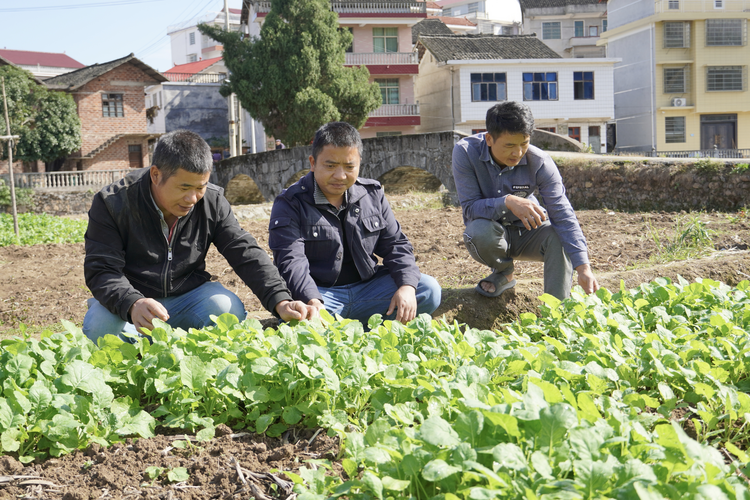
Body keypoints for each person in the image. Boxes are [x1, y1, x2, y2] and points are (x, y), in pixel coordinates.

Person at [83, 129, 315, 342]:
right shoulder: (113, 203)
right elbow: (102, 270)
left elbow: (244, 252)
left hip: (188, 296)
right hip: (133, 299)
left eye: (200, 187)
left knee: (228, 310)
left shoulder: (211, 201)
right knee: (100, 329)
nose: (193, 199)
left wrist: (280, 300)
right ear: (155, 175)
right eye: (184, 188)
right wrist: (132, 303)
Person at [268, 121, 441, 325]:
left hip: (368, 289)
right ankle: (362, 329)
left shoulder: (372, 194)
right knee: (301, 316)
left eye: (349, 167)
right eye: (330, 166)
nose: (340, 176)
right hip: (321, 296)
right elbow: (291, 261)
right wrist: (312, 300)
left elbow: (396, 245)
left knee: (428, 290)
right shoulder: (290, 202)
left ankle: (356, 330)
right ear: (313, 163)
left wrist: (407, 287)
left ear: (359, 164)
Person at [452, 101, 598, 300]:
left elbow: (562, 213)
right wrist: (507, 202)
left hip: (528, 231)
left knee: (560, 236)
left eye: (524, 144)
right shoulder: (466, 153)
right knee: (478, 232)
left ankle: (556, 309)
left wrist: (584, 267)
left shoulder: (539, 162)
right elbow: (470, 208)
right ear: (489, 139)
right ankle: (504, 273)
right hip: (490, 235)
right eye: (509, 145)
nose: (517, 153)